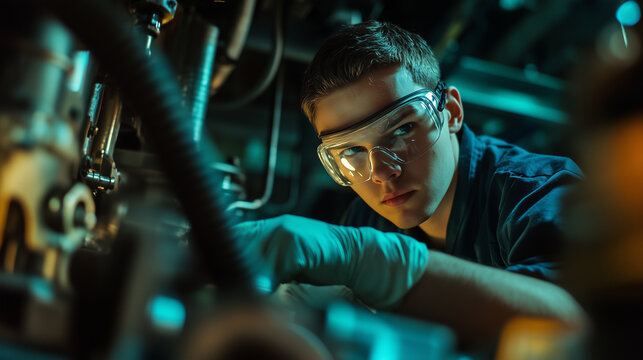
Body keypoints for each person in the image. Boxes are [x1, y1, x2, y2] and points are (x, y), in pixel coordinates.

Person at [234, 20, 585, 346]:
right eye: (351, 151)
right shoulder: (366, 221)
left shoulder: (539, 192)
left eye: (402, 130)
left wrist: (367, 261)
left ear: (452, 112)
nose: (382, 172)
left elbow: (578, 320)